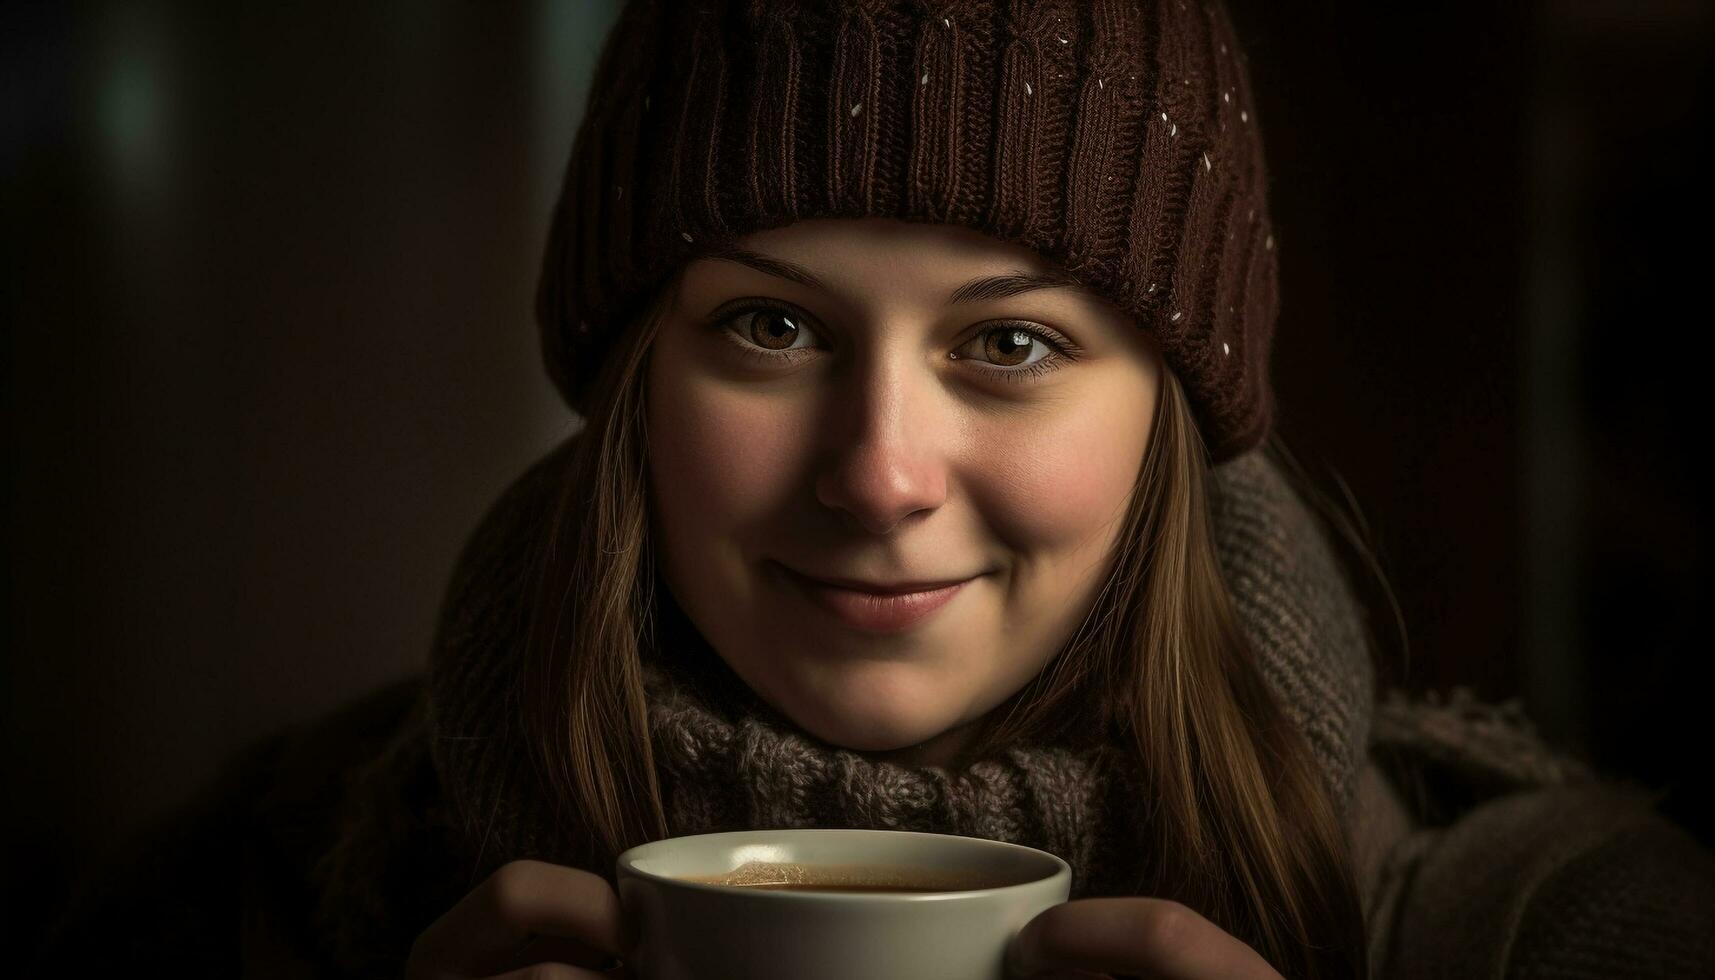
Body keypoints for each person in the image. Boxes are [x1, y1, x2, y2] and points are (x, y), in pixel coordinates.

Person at [28, 1, 1715, 978]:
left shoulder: (1550, 929)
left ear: (1176, 425)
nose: (880, 473)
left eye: (1014, 345)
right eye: (769, 325)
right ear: (632, 382)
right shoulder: (254, 891)